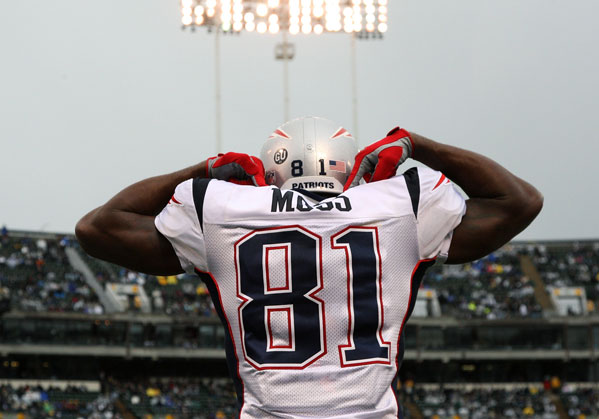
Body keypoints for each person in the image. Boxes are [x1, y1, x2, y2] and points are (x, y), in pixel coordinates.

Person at [76, 116, 543, 418]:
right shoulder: (401, 205)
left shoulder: (219, 207)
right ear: (349, 166)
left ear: (269, 170)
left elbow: (97, 228)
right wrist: (418, 145)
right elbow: (520, 202)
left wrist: (202, 170)